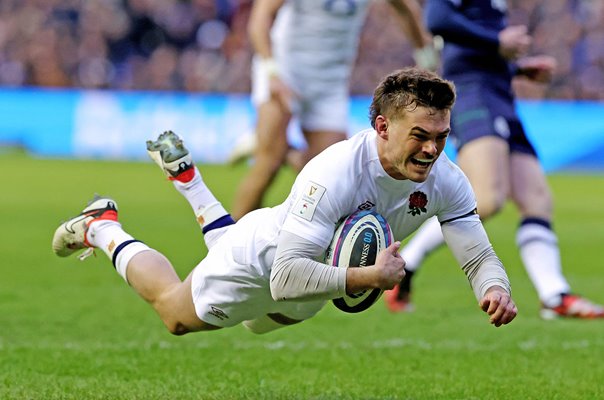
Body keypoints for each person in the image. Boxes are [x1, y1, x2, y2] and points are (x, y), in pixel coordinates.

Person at [52, 68, 517, 336]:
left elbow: (476, 252)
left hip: (314, 287)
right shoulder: (335, 171)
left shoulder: (446, 179)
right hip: (265, 260)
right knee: (175, 316)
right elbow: (287, 276)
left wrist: (494, 288)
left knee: (257, 327)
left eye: (441, 136)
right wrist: (371, 276)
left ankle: (191, 182)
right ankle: (103, 227)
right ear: (381, 128)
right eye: (420, 136)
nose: (433, 150)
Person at [385, 0, 604, 319]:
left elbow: (473, 37)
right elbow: (438, 17)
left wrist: (517, 67)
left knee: (537, 200)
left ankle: (554, 295)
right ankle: (406, 265)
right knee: (486, 199)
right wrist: (498, 42)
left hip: (499, 93)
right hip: (473, 93)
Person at [230, 0, 441, 220]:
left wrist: (425, 57)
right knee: (267, 165)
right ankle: (228, 247)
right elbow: (259, 19)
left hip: (330, 83)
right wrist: (272, 72)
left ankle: (277, 148)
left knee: (334, 178)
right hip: (284, 71)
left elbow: (406, 10)